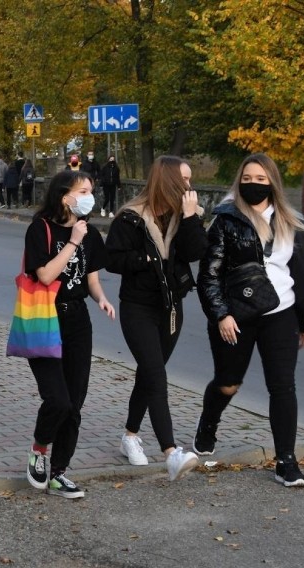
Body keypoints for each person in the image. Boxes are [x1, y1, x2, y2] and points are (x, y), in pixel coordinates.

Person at [194, 153, 304, 487]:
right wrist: (221, 315)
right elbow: (209, 275)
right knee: (228, 383)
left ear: (272, 183)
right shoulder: (226, 220)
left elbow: (303, 274)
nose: (253, 185)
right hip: (236, 316)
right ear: (239, 182)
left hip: (281, 314)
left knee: (282, 385)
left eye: (261, 180)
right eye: (247, 179)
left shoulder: (291, 222)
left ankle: (286, 462)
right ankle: (208, 422)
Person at [104, 155, 207, 481]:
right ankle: (171, 452)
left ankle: (130, 436)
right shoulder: (131, 218)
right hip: (137, 307)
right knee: (156, 373)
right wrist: (144, 258)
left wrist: (191, 219)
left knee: (150, 374)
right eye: (185, 180)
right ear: (168, 182)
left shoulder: (186, 216)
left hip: (172, 307)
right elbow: (111, 259)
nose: (190, 187)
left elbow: (195, 253)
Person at [23, 170, 116, 499]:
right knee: (57, 400)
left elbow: (90, 277)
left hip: (78, 322)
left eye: (91, 189)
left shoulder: (89, 233)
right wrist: (73, 240)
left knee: (74, 404)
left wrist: (101, 298)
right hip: (44, 320)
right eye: (84, 190)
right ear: (65, 196)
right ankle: (39, 449)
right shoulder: (41, 229)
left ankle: (59, 472)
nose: (90, 195)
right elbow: (46, 275)